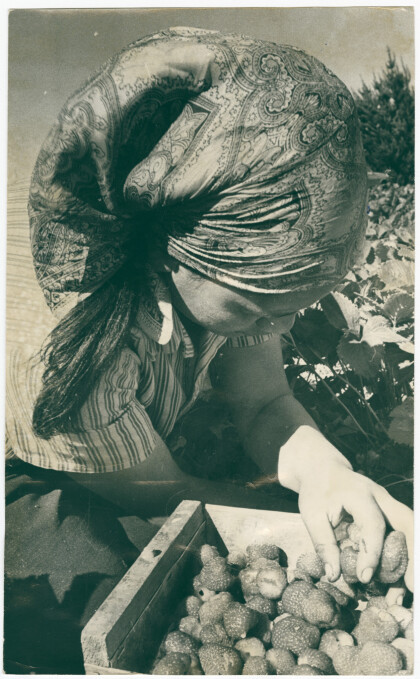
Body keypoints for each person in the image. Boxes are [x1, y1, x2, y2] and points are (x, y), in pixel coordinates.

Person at [5, 27, 413, 673]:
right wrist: (290, 517)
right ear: (180, 252)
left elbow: (264, 400)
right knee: (117, 595)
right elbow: (159, 495)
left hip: (139, 458)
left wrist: (329, 475)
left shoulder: (232, 285)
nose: (280, 323)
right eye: (261, 305)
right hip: (33, 478)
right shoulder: (69, 352)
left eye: (297, 303)